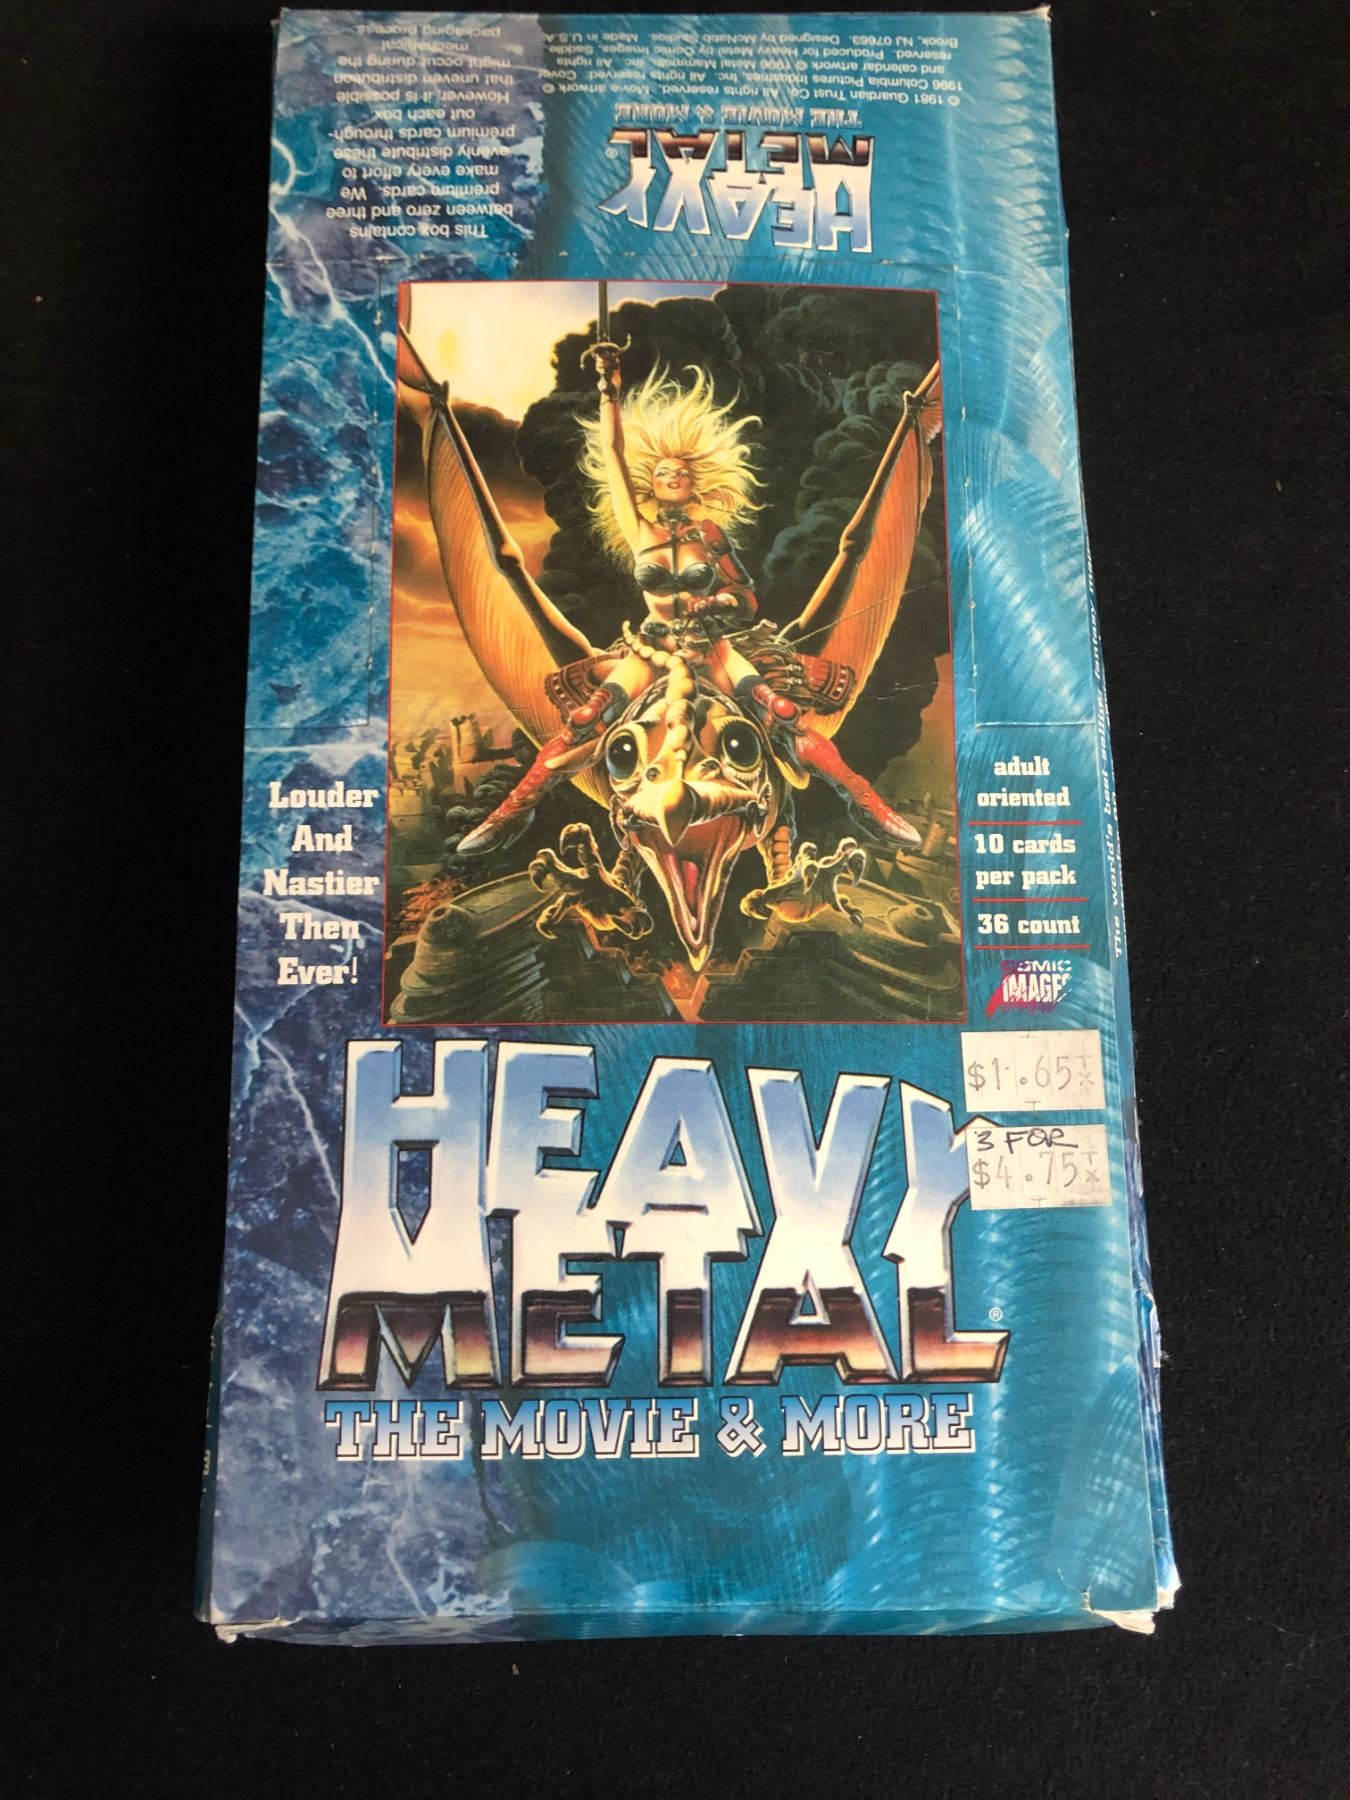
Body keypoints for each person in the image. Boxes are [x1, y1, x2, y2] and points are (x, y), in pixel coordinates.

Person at [457, 348, 919, 854]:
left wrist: (716, 604)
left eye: (680, 473)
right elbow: (613, 454)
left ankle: (865, 802)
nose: (672, 477)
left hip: (711, 647)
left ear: (693, 482)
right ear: (651, 484)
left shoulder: (710, 535)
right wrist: (609, 390)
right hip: (651, 648)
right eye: (663, 473)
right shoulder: (640, 531)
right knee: (586, 721)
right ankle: (510, 813)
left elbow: (745, 599)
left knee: (782, 712)